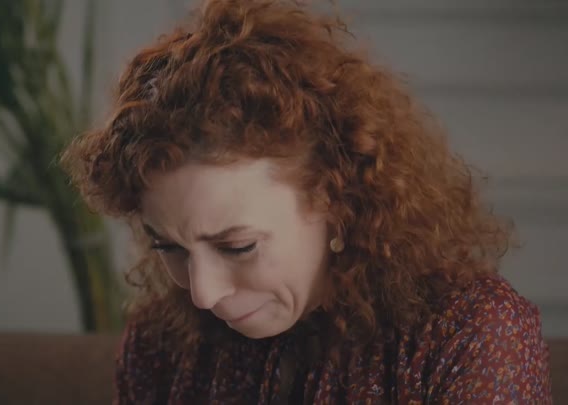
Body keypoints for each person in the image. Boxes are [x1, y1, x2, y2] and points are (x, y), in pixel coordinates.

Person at [62, 0, 552, 403]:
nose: (203, 295)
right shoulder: (161, 346)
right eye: (169, 247)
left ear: (337, 199)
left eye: (237, 247)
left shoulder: (470, 333)